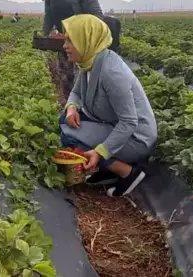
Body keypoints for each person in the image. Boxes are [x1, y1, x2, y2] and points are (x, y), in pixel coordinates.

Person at [58, 14, 157, 197]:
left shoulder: (112, 73)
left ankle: (127, 172)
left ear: (85, 40)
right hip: (111, 122)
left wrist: (101, 151)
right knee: (64, 118)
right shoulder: (88, 61)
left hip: (136, 138)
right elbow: (77, 93)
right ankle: (105, 170)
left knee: (69, 136)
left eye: (70, 40)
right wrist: (72, 107)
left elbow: (129, 122)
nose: (65, 46)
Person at [41, 0, 104, 97]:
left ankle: (85, 110)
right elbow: (49, 14)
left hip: (84, 44)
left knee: (84, 78)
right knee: (66, 77)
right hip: (64, 43)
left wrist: (73, 33)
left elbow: (97, 16)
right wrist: (46, 34)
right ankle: (69, 106)